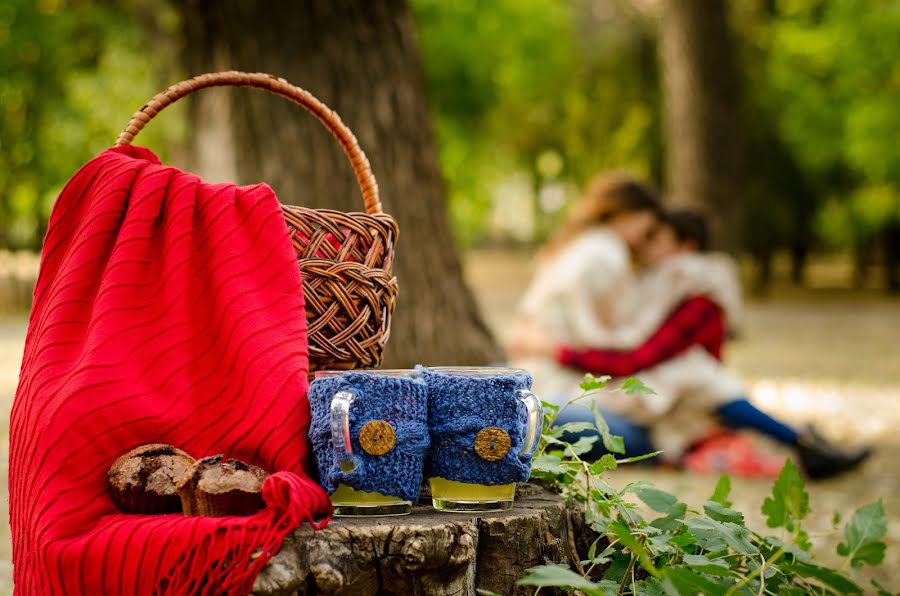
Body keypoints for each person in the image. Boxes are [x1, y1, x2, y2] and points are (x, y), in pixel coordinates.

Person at [512, 199, 872, 479]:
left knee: (539, 415)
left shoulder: (697, 303)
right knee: (531, 406)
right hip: (653, 414)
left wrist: (553, 350)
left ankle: (802, 443)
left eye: (657, 240)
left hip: (653, 429)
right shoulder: (664, 295)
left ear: (685, 247)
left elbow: (633, 360)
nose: (646, 249)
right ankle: (803, 442)